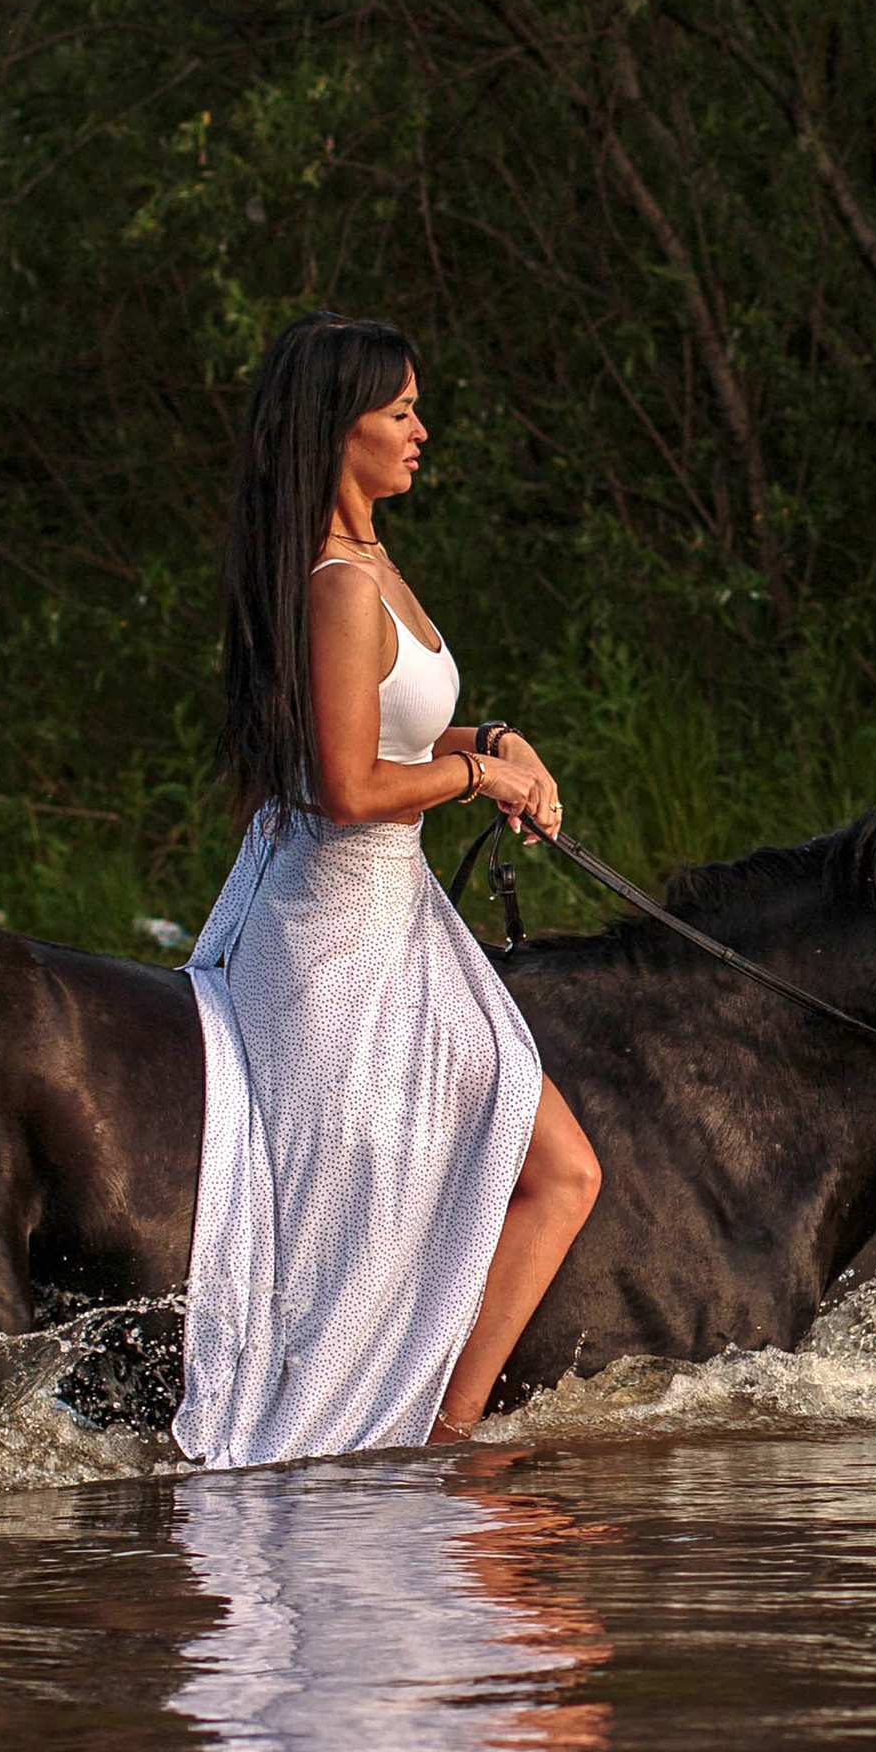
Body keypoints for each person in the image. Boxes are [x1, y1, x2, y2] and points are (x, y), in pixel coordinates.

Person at [171, 314, 602, 1468]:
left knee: (561, 1169)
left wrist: (500, 741)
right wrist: (477, 775)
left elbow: (391, 723)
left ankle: (439, 1428)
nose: (422, 430)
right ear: (338, 429)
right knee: (545, 1171)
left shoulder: (370, 566)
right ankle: (408, 1436)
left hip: (396, 913)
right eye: (399, 411)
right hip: (335, 929)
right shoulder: (335, 580)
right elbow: (351, 782)